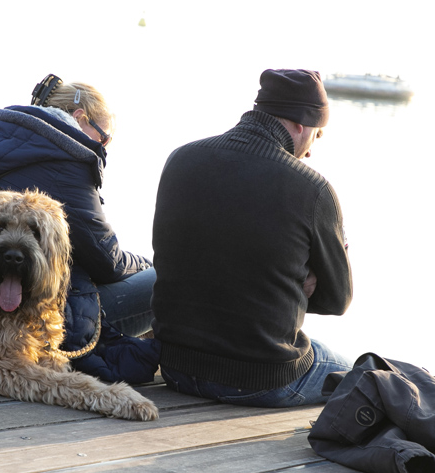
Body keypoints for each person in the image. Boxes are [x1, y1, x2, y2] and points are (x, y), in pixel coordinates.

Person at [150, 68, 353, 406]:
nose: (311, 151)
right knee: (368, 374)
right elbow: (337, 300)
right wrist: (298, 284)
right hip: (262, 379)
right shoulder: (312, 190)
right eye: (316, 136)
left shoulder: (180, 159)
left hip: (175, 368)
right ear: (300, 124)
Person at [0, 74, 159, 383]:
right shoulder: (69, 159)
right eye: (105, 138)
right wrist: (145, 262)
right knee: (164, 278)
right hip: (50, 310)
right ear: (79, 117)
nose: (104, 147)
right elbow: (108, 261)